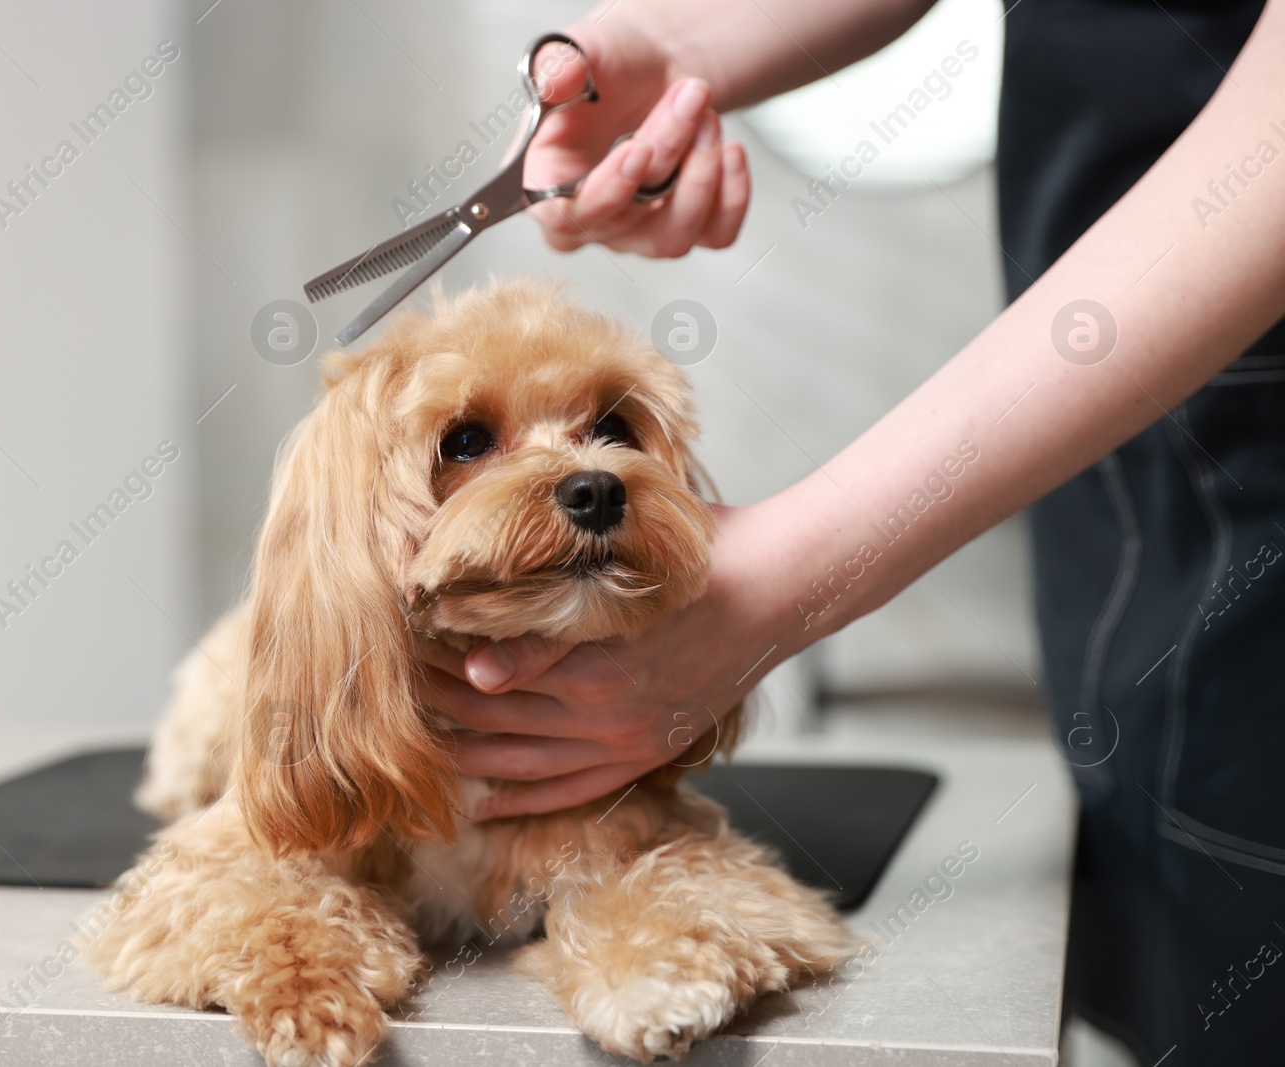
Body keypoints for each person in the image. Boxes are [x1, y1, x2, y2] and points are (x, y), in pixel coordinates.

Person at [416, 0, 1285, 1062]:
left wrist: (782, 581)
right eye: (468, 441)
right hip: (1140, 491)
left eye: (606, 427)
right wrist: (685, 44)